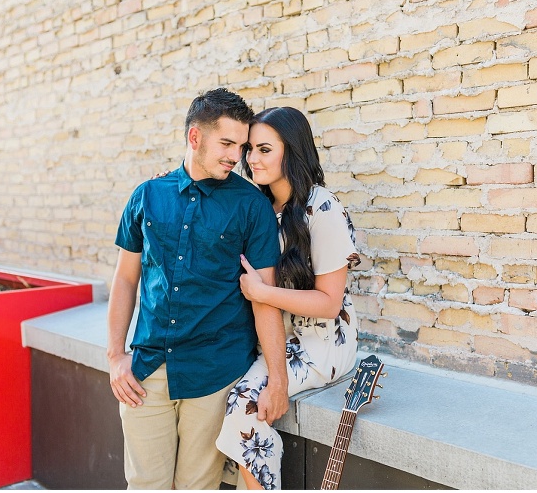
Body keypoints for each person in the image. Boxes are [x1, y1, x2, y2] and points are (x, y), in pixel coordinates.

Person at [107, 88, 290, 490]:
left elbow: (265, 297)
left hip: (214, 372)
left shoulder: (250, 206)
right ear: (195, 137)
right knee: (145, 486)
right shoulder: (147, 196)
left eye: (240, 146)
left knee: (198, 488)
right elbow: (125, 278)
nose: (235, 156)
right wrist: (116, 354)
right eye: (227, 143)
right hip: (147, 371)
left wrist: (278, 380)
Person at [215, 106, 361, 490]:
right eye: (250, 149)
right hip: (274, 335)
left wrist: (263, 292)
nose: (251, 158)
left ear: (291, 152)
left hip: (321, 342)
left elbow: (330, 303)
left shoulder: (321, 207)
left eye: (264, 149)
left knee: (243, 406)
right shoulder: (259, 206)